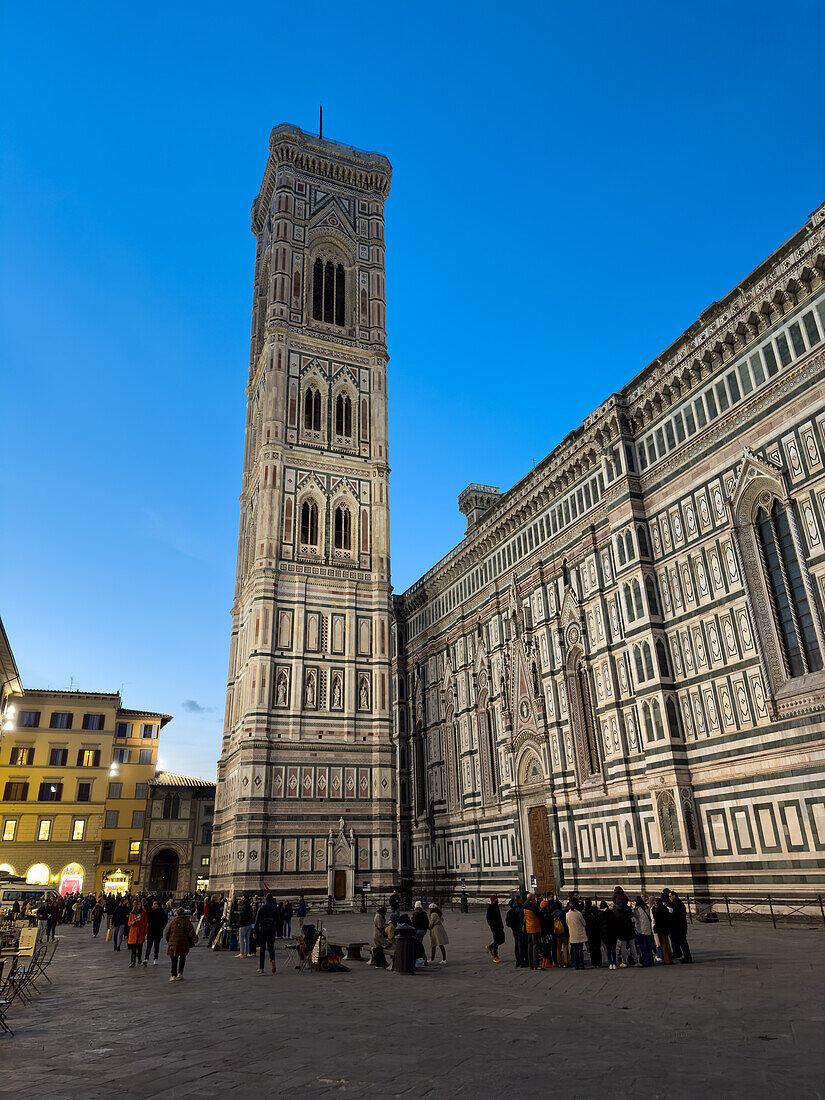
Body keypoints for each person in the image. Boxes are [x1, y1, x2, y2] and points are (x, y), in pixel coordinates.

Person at [165, 907, 198, 981]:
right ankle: (180, 973)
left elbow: (167, 933)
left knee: (174, 959)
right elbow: (191, 932)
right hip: (184, 943)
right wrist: (195, 939)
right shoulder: (187, 922)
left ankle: (173, 975)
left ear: (177, 913)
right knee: (182, 958)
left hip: (174, 943)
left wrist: (169, 942)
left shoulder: (173, 922)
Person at [255, 893, 278, 974]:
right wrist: (277, 930)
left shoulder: (262, 908)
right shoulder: (275, 908)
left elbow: (257, 921)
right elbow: (278, 920)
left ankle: (261, 968)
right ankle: (272, 960)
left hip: (263, 929)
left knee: (262, 949)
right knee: (271, 947)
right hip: (271, 929)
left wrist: (255, 931)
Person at [667, 889, 693, 963]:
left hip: (680, 926)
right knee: (682, 942)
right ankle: (685, 956)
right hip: (681, 926)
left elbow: (675, 915)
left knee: (683, 942)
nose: (669, 898)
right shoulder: (677, 903)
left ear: (674, 896)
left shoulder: (677, 904)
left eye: (670, 896)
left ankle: (687, 958)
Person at [613, 890, 637, 967]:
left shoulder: (616, 909)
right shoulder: (627, 908)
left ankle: (624, 961)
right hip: (629, 929)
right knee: (632, 946)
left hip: (621, 930)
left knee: (623, 947)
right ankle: (636, 960)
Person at [633, 895, 655, 967]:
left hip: (641, 930)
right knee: (649, 947)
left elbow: (634, 918)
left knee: (643, 947)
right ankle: (651, 961)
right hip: (648, 930)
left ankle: (646, 962)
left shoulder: (637, 909)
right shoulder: (647, 907)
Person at [505, 896, 526, 968]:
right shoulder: (520, 909)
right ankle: (522, 961)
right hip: (520, 929)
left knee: (517, 944)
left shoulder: (512, 910)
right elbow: (521, 920)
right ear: (518, 901)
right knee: (522, 945)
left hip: (514, 929)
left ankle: (518, 961)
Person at [523, 893, 542, 971]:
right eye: (534, 897)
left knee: (530, 945)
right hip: (535, 927)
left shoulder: (525, 906)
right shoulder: (533, 907)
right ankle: (536, 965)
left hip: (528, 927)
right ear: (531, 899)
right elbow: (540, 915)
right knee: (535, 946)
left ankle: (530, 964)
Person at [566, 901, 587, 970]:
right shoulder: (578, 913)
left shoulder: (567, 914)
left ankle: (576, 965)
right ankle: (581, 964)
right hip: (579, 933)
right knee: (580, 950)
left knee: (574, 950)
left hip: (572, 933)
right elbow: (584, 923)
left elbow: (567, 923)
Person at [146, 900, 168, 965]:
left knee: (156, 946)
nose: (156, 905)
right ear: (152, 905)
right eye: (154, 904)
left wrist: (162, 928)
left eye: (157, 903)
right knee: (149, 946)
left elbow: (165, 920)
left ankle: (155, 959)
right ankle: (146, 958)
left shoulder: (161, 912)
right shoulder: (149, 912)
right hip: (151, 931)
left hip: (158, 932)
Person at [652, 896, 673, 963]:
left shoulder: (658, 910)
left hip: (660, 928)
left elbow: (655, 916)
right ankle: (670, 959)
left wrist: (653, 908)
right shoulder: (665, 908)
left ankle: (667, 960)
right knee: (667, 943)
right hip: (666, 928)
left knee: (663, 944)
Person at [485, 894, 505, 963]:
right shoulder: (490, 907)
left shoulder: (496, 906)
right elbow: (488, 918)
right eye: (496, 899)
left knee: (502, 940)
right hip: (494, 927)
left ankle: (490, 946)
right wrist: (492, 925)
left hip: (499, 926)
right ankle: (495, 957)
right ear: (494, 900)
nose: (498, 900)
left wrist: (501, 925)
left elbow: (499, 917)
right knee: (496, 940)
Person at [127, 902, 148, 968]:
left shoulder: (143, 912)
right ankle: (132, 961)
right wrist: (131, 923)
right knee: (133, 948)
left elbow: (145, 922)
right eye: (138, 905)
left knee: (139, 948)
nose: (140, 906)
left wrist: (144, 930)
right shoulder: (132, 913)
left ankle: (139, 958)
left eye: (140, 905)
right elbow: (128, 922)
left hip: (140, 931)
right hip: (133, 931)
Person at [599, 900, 618, 969]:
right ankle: (614, 963)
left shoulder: (600, 914)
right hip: (613, 933)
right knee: (613, 949)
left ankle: (610, 963)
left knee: (608, 949)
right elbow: (615, 922)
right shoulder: (611, 913)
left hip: (605, 934)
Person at [583, 899, 602, 968]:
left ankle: (594, 963)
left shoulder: (585, 912)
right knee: (597, 947)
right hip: (597, 931)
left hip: (589, 931)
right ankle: (599, 962)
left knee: (592, 948)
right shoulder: (595, 910)